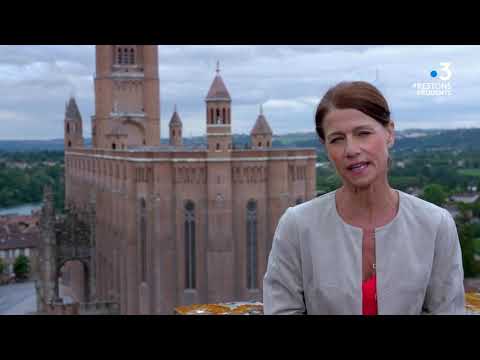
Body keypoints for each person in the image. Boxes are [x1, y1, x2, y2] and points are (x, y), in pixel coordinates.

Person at [263, 81, 465, 315]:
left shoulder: (435, 224)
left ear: (389, 133)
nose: (351, 149)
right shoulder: (297, 225)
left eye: (363, 133)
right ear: (326, 147)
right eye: (337, 139)